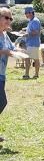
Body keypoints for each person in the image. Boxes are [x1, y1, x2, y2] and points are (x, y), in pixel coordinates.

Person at [0, 8, 16, 142]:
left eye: (11, 18)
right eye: (6, 17)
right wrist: (3, 51)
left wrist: (20, 51)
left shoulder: (5, 35)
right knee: (2, 102)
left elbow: (12, 49)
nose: (9, 21)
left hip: (1, 74)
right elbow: (4, 51)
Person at [23, 6, 41, 79]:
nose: (25, 15)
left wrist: (26, 34)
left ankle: (34, 74)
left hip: (33, 44)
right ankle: (28, 74)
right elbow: (30, 29)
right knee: (28, 58)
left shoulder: (35, 21)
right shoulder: (31, 21)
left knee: (34, 59)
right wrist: (24, 30)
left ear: (30, 13)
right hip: (30, 43)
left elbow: (36, 31)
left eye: (26, 13)